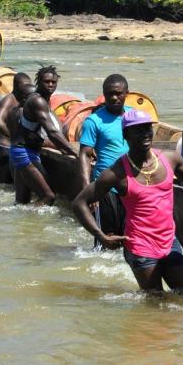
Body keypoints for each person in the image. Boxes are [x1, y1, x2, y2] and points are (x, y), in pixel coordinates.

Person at [72, 110, 183, 294]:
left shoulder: (170, 159)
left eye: (147, 128)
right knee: (155, 302)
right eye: (137, 130)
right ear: (126, 136)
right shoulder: (117, 173)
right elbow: (79, 203)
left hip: (169, 241)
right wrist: (101, 236)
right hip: (140, 246)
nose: (144, 134)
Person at [75, 74, 131, 249]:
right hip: (106, 188)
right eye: (109, 94)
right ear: (104, 95)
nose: (114, 97)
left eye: (118, 93)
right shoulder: (94, 121)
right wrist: (88, 191)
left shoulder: (134, 116)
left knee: (129, 237)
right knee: (106, 242)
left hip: (132, 186)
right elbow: (85, 154)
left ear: (126, 93)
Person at [7, 72, 77, 205]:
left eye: (53, 82)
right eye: (46, 81)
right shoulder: (37, 101)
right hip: (24, 153)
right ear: (38, 81)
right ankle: (30, 222)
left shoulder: (42, 99)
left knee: (22, 201)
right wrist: (75, 152)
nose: (50, 85)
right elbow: (51, 131)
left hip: (23, 151)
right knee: (48, 196)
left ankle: (17, 223)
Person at [0, 73, 33, 183]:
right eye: (23, 85)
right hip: (4, 148)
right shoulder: (9, 99)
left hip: (7, 149)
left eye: (28, 85)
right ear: (15, 85)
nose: (26, 88)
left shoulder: (21, 100)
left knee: (2, 187)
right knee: (3, 186)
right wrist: (14, 137)